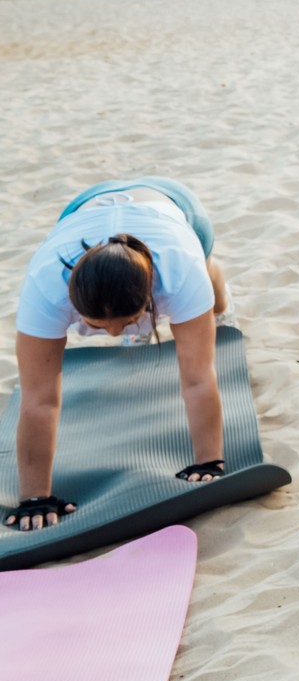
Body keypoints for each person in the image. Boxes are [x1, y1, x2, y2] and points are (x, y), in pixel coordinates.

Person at [6, 179, 234, 534]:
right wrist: (35, 497)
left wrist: (209, 462)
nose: (113, 335)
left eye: (126, 323)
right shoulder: (45, 286)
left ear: (149, 299)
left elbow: (197, 378)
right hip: (86, 206)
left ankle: (213, 273)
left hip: (174, 206)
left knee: (206, 279)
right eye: (97, 325)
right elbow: (39, 401)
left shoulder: (179, 269)